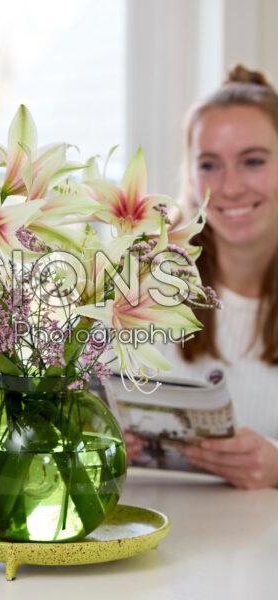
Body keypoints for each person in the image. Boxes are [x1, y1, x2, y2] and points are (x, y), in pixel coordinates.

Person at [125, 64, 278, 489]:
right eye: (209, 165)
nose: (229, 188)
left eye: (252, 161)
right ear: (189, 178)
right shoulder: (142, 286)